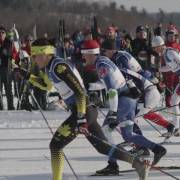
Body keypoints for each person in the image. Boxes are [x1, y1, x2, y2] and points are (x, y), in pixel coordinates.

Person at [29, 38, 149, 180]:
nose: (34, 60)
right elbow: (46, 85)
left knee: (55, 146)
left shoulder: (59, 66)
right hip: (86, 111)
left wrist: (80, 117)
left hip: (84, 110)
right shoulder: (50, 67)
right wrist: (28, 76)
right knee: (103, 147)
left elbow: (80, 92)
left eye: (35, 56)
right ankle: (138, 163)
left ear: (45, 54)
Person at [81, 40, 166, 176]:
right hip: (129, 100)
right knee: (128, 134)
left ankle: (112, 165)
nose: (83, 58)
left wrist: (113, 113)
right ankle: (157, 149)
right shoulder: (103, 61)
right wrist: (90, 87)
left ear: (90, 54)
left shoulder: (102, 64)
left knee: (105, 131)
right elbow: (110, 82)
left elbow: (112, 90)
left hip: (123, 101)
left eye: (83, 54)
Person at [101, 39, 175, 137]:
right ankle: (169, 126)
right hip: (144, 82)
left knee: (131, 114)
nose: (104, 54)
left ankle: (136, 140)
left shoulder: (119, 57)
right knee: (144, 112)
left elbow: (127, 75)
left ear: (111, 50)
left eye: (104, 51)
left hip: (143, 84)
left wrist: (132, 90)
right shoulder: (120, 55)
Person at [0, 26, 17, 110]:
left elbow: (8, 52)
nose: (1, 34)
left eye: (3, 32)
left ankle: (11, 106)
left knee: (8, 89)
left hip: (7, 68)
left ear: (5, 34)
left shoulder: (9, 42)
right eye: (0, 32)